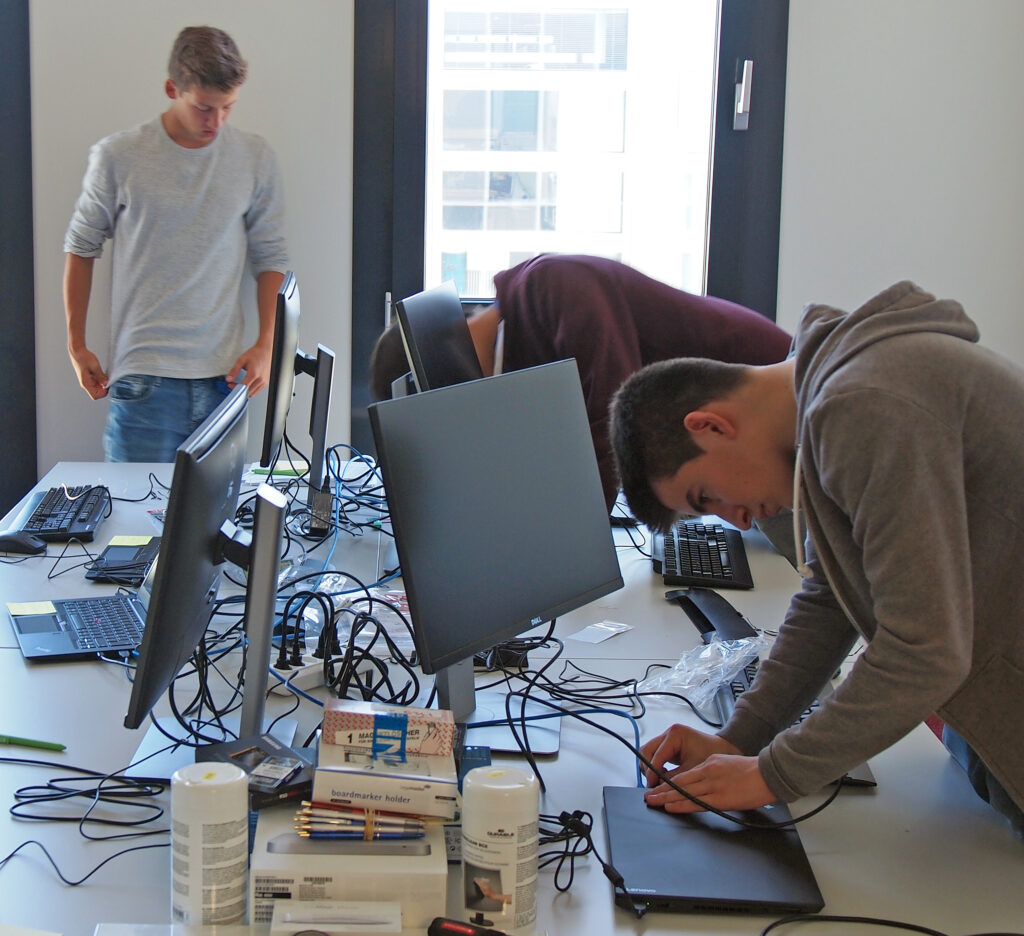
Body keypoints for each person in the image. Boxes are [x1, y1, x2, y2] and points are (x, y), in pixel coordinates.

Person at [609, 280, 1024, 837]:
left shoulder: (860, 403)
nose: (738, 520)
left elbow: (923, 652)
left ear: (710, 425)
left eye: (706, 496)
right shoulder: (833, 391)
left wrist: (771, 774)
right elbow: (831, 592)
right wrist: (739, 738)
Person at [369, 254, 792, 512]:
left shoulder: (549, 286)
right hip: (730, 447)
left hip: (781, 418)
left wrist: (565, 552)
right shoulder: (517, 340)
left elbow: (613, 413)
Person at [63, 25, 289, 462]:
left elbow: (271, 258)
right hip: (144, 380)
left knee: (219, 527)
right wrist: (76, 345)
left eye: (228, 107)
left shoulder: (254, 158)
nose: (217, 121)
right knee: (134, 526)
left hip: (225, 379)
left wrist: (266, 343)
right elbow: (81, 245)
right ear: (173, 89)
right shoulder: (119, 156)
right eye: (205, 108)